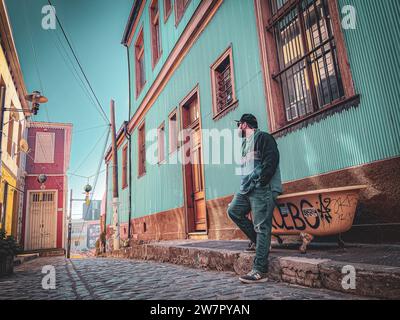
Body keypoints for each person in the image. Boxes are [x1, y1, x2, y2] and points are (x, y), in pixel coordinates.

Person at [228, 114, 282, 283]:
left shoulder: (263, 137)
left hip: (262, 188)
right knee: (233, 211)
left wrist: (261, 182)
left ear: (244, 125)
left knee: (261, 227)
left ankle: (260, 270)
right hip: (246, 190)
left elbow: (271, 160)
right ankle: (261, 244)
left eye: (238, 125)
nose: (237, 129)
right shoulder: (244, 145)